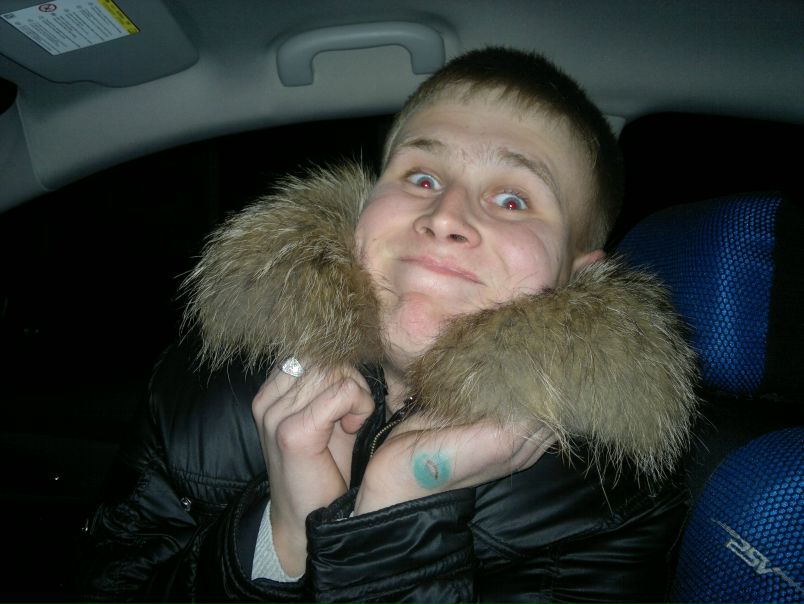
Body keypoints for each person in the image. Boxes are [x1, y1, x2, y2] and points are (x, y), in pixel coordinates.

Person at [77, 47, 698, 602]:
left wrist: (401, 502)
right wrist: (281, 538)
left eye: (512, 199)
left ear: (577, 274)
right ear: (365, 208)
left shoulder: (608, 493)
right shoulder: (211, 375)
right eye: (422, 177)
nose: (445, 215)